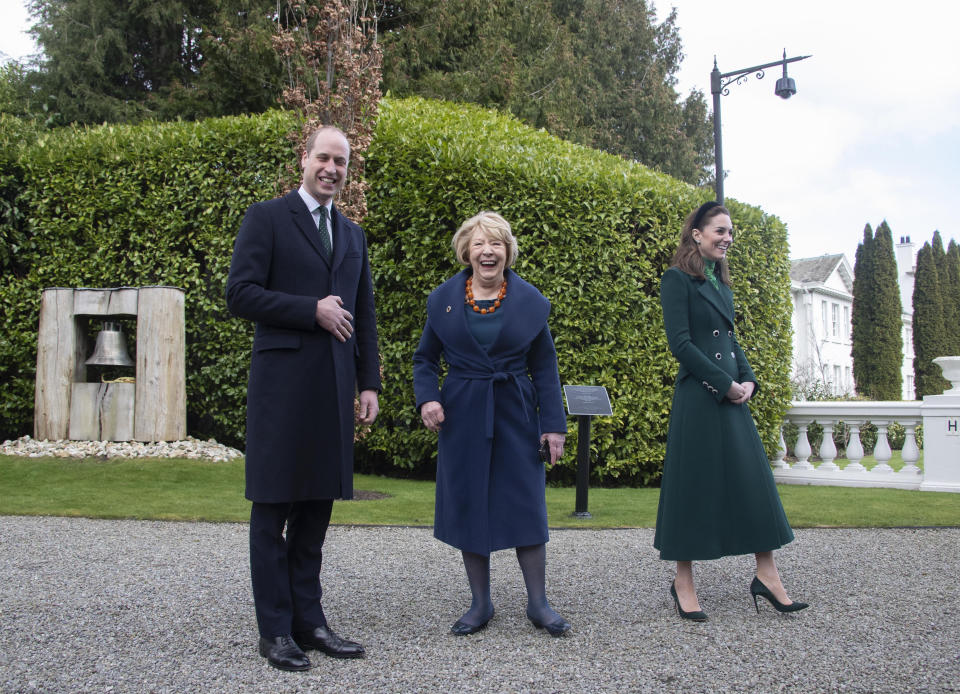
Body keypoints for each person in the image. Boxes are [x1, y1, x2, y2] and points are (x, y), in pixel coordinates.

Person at [226, 126, 381, 671]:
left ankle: (308, 622)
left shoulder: (353, 234)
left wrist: (369, 383)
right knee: (272, 509)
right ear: (305, 159)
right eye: (324, 157)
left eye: (341, 161)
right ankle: (274, 631)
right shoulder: (266, 218)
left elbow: (363, 315)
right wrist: (309, 309)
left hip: (335, 389)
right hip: (282, 389)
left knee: (316, 509)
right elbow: (239, 294)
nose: (332, 168)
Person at [413, 211, 571, 637]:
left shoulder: (530, 303)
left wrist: (553, 426)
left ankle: (538, 603)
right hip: (463, 412)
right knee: (469, 503)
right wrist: (428, 397)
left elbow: (545, 368)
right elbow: (425, 359)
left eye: (497, 243)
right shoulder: (443, 300)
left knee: (525, 502)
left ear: (507, 252)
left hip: (516, 413)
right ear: (466, 249)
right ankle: (480, 603)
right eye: (480, 243)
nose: (488, 251)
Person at [654, 200, 808, 621]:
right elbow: (681, 345)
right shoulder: (677, 280)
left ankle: (768, 575)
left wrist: (749, 377)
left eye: (731, 232)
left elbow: (731, 340)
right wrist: (724, 383)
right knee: (693, 485)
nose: (727, 238)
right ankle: (682, 580)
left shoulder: (722, 284)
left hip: (733, 395)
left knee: (752, 482)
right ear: (697, 234)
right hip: (699, 399)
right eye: (720, 230)